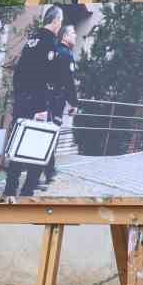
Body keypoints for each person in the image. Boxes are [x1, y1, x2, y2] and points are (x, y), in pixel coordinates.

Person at [2, 6, 68, 198]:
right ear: (56, 21)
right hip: (38, 103)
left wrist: (20, 97)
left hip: (23, 101)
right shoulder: (49, 42)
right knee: (39, 145)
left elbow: (19, 73)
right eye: (60, 21)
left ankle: (9, 188)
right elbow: (45, 76)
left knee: (18, 145)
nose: (60, 25)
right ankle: (28, 189)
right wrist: (41, 107)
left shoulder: (32, 40)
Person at [35, 25, 81, 190]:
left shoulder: (53, 51)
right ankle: (42, 175)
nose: (75, 36)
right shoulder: (66, 55)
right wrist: (74, 104)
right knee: (49, 137)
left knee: (46, 136)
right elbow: (68, 83)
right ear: (64, 37)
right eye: (73, 33)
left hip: (43, 100)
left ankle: (49, 172)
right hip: (54, 102)